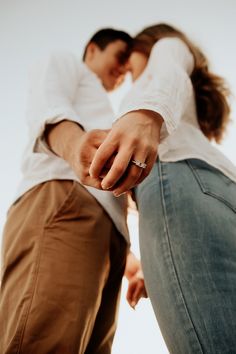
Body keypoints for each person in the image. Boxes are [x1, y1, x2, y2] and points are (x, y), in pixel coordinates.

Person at [85, 24, 236, 353]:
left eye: (128, 56)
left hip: (177, 183)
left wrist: (144, 114)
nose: (125, 68)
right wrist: (157, 261)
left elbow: (171, 66)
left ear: (147, 44)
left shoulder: (164, 50)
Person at [0, 28, 147, 354]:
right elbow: (47, 100)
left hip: (106, 233)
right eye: (120, 56)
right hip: (64, 199)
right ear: (93, 49)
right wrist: (72, 143)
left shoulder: (104, 109)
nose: (124, 69)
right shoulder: (66, 63)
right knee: (45, 340)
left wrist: (129, 261)